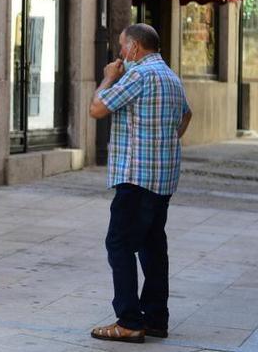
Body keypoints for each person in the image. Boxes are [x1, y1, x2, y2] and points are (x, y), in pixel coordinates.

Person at [89, 23, 192, 343]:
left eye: (122, 47)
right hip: (162, 177)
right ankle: (156, 318)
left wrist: (108, 76)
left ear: (134, 48)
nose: (120, 54)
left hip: (135, 177)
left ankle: (130, 321)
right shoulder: (171, 77)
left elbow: (97, 109)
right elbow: (187, 116)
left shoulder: (137, 75)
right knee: (152, 247)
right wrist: (163, 145)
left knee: (119, 244)